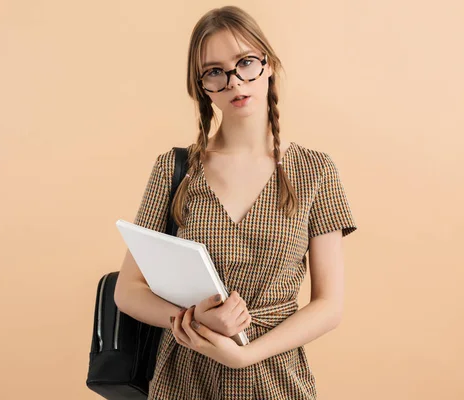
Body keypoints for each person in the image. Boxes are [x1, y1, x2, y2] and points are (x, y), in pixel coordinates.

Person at [114, 5, 357, 399]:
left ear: (269, 63)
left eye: (245, 62)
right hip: (185, 380)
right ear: (201, 86)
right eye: (214, 71)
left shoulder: (315, 171)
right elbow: (128, 291)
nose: (233, 81)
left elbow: (329, 305)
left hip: (276, 380)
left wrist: (245, 355)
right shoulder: (174, 170)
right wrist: (194, 320)